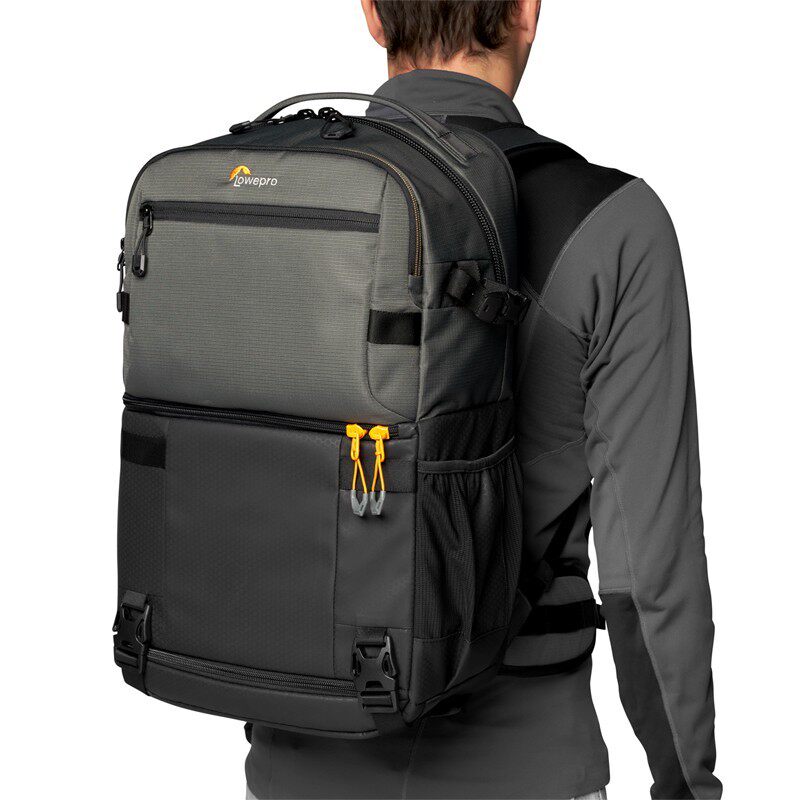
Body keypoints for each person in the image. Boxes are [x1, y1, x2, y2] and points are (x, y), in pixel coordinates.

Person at [245, 2, 722, 798]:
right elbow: (649, 575)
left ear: (372, 13)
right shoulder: (611, 224)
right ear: (527, 12)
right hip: (524, 766)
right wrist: (688, 785)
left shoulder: (273, 190)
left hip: (293, 762)